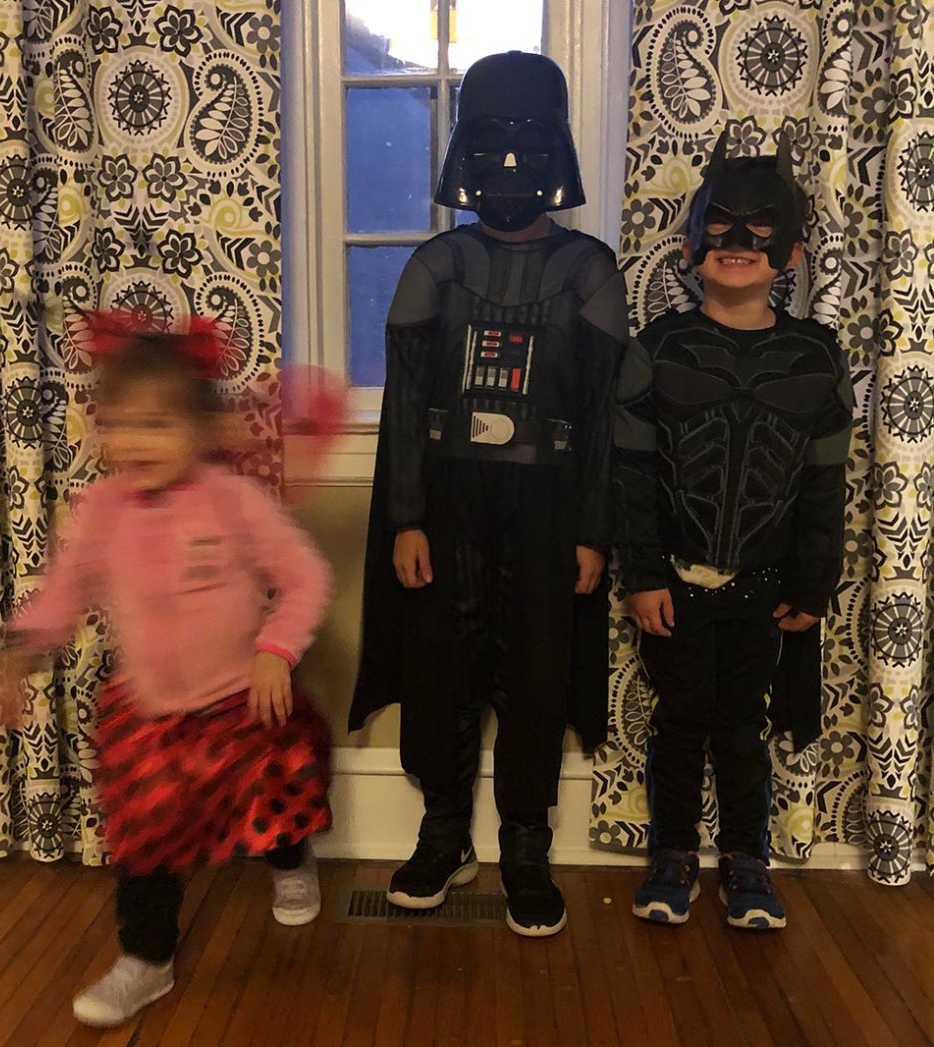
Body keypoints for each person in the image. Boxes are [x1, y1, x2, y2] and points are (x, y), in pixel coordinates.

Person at [349, 51, 630, 937]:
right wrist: (405, 518)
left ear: (557, 152)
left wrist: (593, 531)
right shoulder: (437, 263)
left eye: (529, 145)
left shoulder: (589, 268)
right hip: (447, 501)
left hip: (550, 504)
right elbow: (405, 407)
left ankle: (524, 844)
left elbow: (603, 416)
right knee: (443, 665)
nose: (509, 167)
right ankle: (444, 832)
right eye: (491, 145)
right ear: (464, 151)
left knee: (537, 670)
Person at [0, 314, 332, 1027]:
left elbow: (305, 578)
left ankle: (291, 861)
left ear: (200, 429)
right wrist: (20, 651)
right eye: (120, 424)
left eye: (158, 424)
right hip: (152, 711)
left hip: (241, 700)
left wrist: (276, 649)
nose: (136, 442)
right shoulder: (100, 510)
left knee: (275, 798)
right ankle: (145, 958)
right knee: (143, 836)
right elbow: (64, 592)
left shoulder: (232, 499)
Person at [613, 128, 854, 930]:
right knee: (680, 721)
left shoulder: (817, 358)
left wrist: (815, 583)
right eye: (720, 223)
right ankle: (673, 852)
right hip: (677, 583)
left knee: (743, 728)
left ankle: (747, 857)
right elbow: (631, 474)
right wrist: (643, 574)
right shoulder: (657, 350)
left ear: (792, 252)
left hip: (766, 586)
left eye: (762, 227)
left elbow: (824, 485)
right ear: (691, 245)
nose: (740, 240)